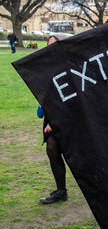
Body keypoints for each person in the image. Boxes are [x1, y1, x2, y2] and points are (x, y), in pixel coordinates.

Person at [39, 33, 73, 204]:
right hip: (52, 115)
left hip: (69, 116)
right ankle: (61, 191)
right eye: (48, 44)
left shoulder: (69, 65)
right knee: (52, 149)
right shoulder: (46, 67)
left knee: (80, 154)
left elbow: (70, 98)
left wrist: (54, 120)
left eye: (54, 44)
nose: (50, 48)